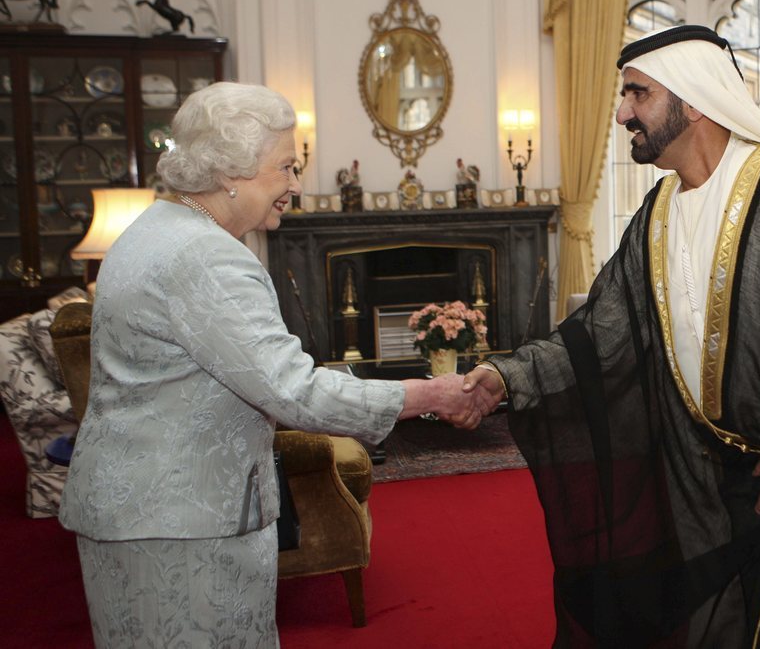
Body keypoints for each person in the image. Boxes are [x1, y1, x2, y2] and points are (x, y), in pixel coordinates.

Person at [464, 26, 760, 648]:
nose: (622, 113)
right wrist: (507, 375)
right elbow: (601, 330)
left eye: (637, 94)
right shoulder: (658, 212)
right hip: (704, 477)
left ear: (692, 100)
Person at [57, 82, 494, 648]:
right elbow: (294, 391)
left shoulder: (152, 230)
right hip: (183, 525)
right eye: (286, 167)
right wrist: (430, 394)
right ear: (229, 172)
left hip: (137, 510)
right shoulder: (207, 256)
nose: (295, 184)